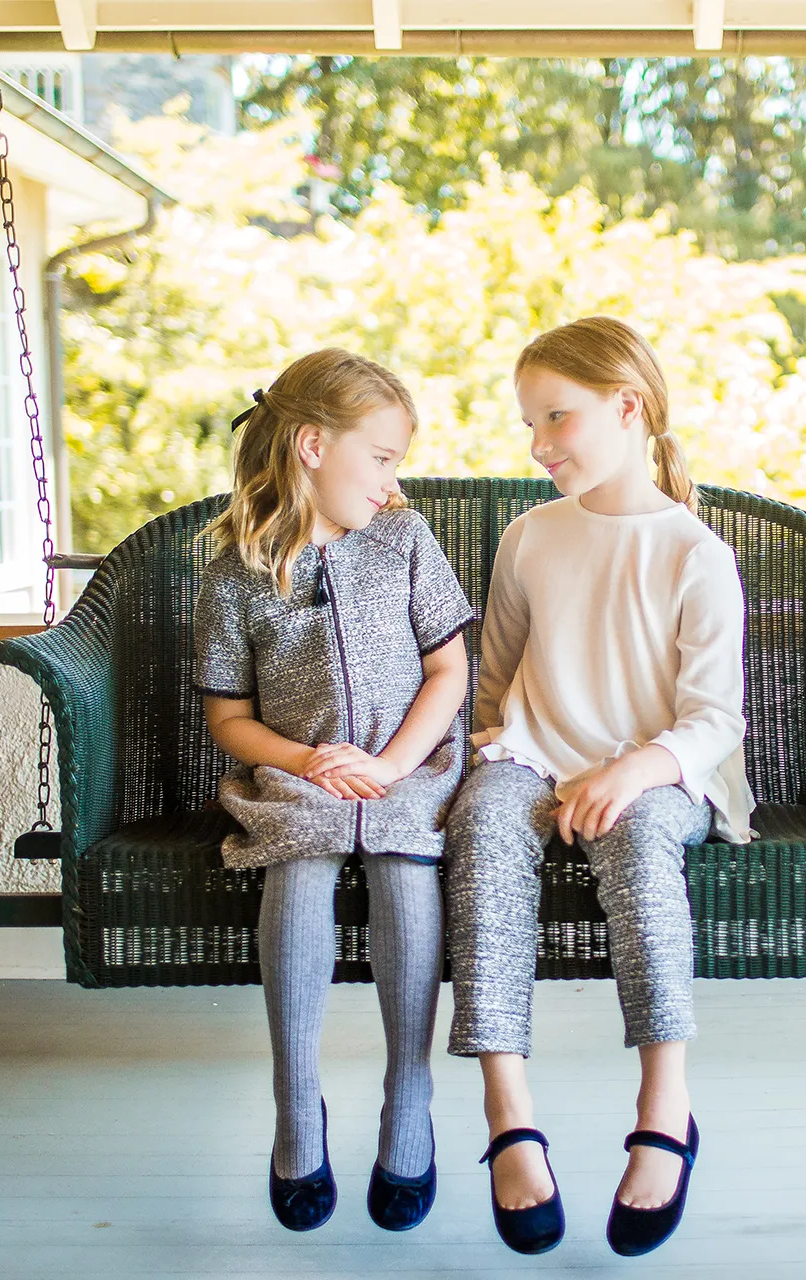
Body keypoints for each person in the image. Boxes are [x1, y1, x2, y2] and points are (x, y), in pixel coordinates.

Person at [445, 316, 754, 1257]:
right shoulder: (530, 536)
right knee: (482, 828)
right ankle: (509, 1117)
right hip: (537, 757)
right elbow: (491, 678)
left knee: (637, 839)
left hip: (660, 769)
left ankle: (667, 1106)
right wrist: (503, 745)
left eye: (557, 418)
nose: (539, 445)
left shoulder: (694, 552)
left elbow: (713, 720)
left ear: (628, 408)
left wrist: (632, 768)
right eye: (529, 422)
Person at [194, 348, 473, 1235]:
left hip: (407, 765)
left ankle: (408, 1101)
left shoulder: (404, 540)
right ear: (312, 445)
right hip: (297, 771)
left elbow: (449, 670)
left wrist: (389, 766)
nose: (395, 481)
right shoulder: (237, 570)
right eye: (383, 457)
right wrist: (309, 761)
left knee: (402, 869)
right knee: (301, 872)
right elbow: (229, 719)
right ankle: (296, 1107)